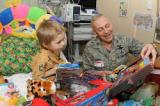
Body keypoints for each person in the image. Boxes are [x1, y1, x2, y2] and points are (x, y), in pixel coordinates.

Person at [82, 14, 157, 76]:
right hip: (101, 86)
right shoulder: (90, 48)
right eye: (100, 29)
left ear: (111, 24)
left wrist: (151, 47)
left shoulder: (123, 40)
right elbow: (86, 71)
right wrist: (100, 73)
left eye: (107, 26)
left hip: (122, 83)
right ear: (95, 32)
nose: (106, 31)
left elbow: (149, 54)